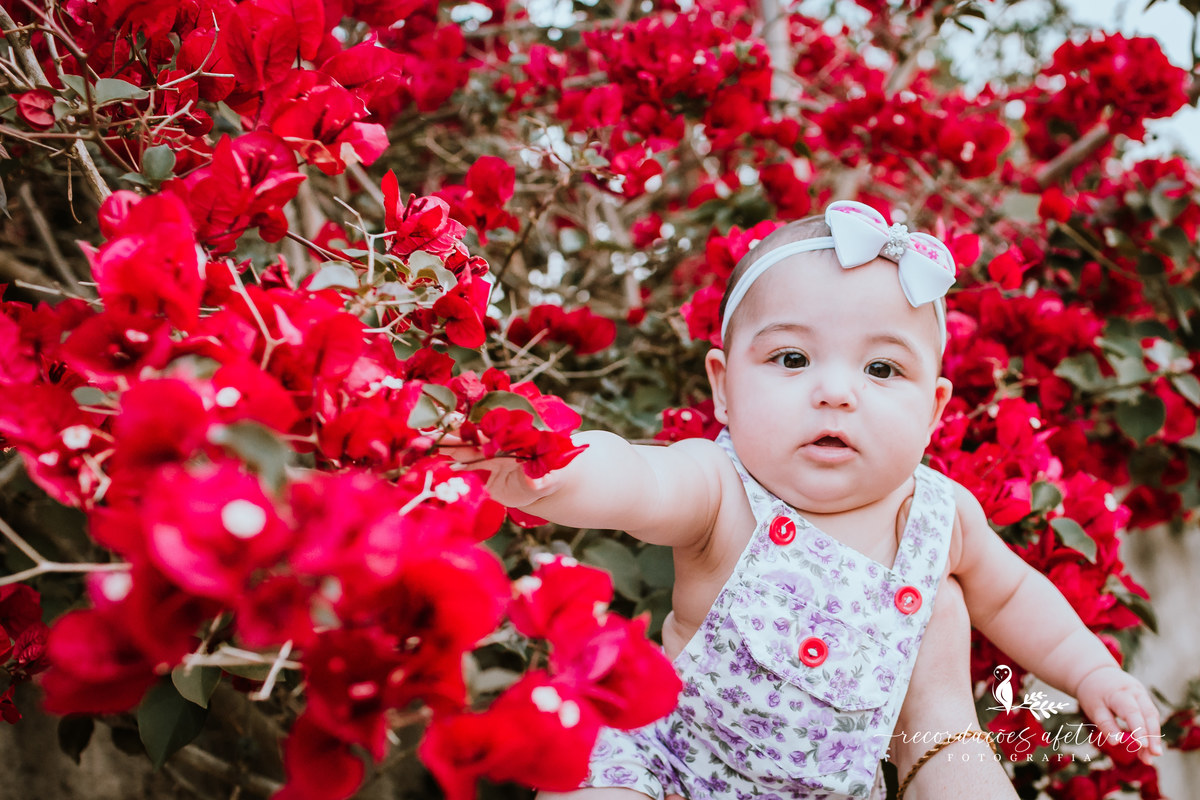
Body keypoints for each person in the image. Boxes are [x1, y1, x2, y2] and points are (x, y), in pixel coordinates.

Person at [455, 201, 1161, 799]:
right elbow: (639, 479)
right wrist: (553, 466)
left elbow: (1012, 598)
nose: (835, 390)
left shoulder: (942, 520)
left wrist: (1091, 669)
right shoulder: (723, 491)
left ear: (935, 411)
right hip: (666, 772)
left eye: (882, 368)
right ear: (724, 388)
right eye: (791, 359)